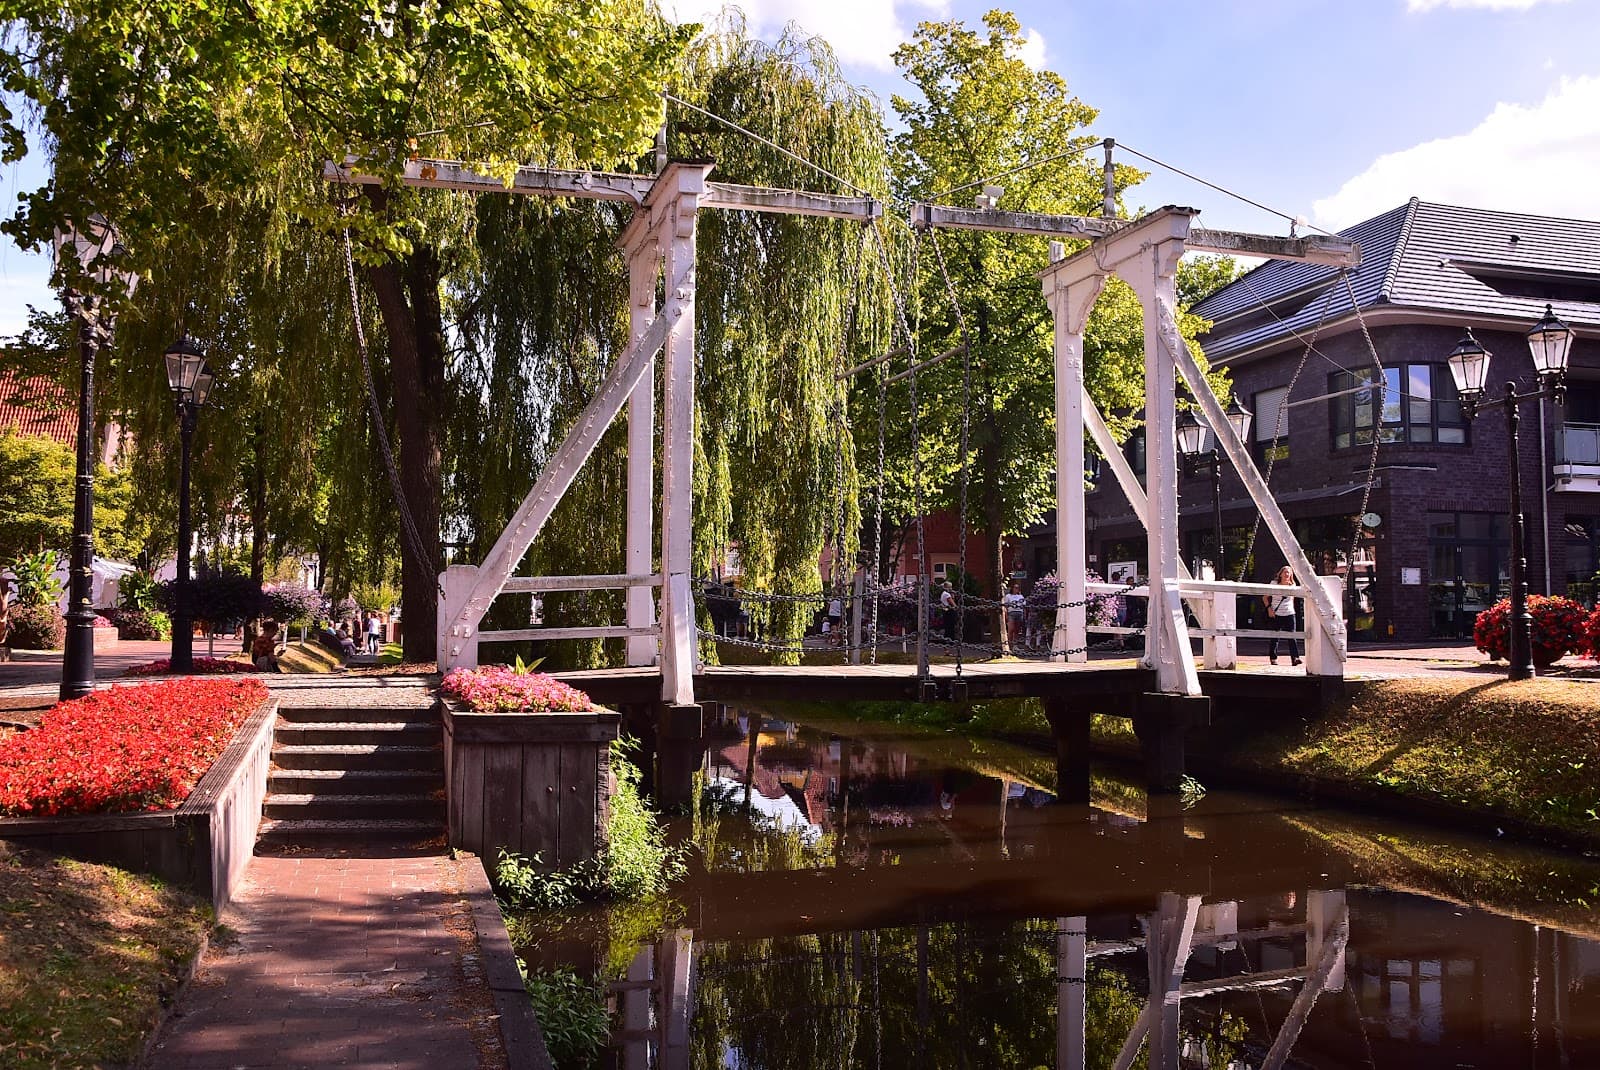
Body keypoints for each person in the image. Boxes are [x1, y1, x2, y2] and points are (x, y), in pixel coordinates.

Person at [1263, 566, 1301, 666]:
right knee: (1275, 637)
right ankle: (1273, 657)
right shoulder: (1274, 584)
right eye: (1285, 572)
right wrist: (1269, 609)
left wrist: (1292, 609)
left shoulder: (1292, 585)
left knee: (1292, 636)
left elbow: (1292, 599)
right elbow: (1265, 597)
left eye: (1289, 573)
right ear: (1280, 574)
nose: (1287, 574)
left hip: (1289, 613)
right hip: (1277, 613)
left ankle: (1295, 658)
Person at [1003, 581, 1026, 648]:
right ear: (1012, 588)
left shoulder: (1021, 596)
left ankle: (1015, 645)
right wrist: (1006, 614)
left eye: (1017, 588)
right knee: (1011, 629)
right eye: (1015, 587)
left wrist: (1024, 614)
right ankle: (1009, 644)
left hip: (1019, 613)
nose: (1016, 589)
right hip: (1011, 613)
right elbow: (1005, 606)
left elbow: (1023, 606)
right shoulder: (1008, 596)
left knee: (1017, 630)